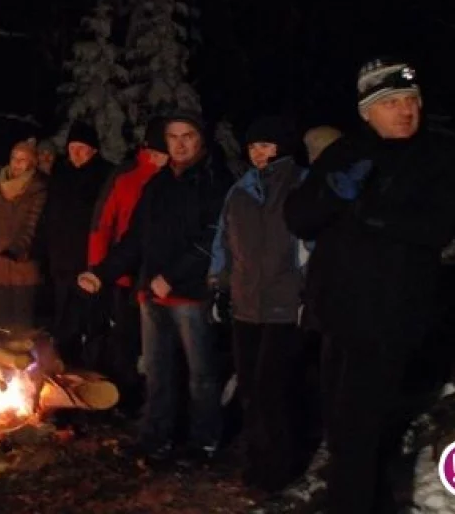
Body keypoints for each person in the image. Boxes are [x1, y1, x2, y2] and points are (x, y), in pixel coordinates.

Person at [284, 59, 455, 514]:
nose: (405, 111)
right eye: (391, 103)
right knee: (344, 430)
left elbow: (436, 227)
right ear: (366, 112)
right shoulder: (345, 154)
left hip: (391, 320)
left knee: (363, 430)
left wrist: (366, 212)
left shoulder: (437, 157)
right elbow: (296, 217)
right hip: (337, 316)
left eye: (411, 101)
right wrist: (328, 196)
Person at [78, 110, 231, 462]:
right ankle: (156, 436)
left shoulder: (215, 181)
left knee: (200, 374)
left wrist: (173, 277)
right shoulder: (159, 184)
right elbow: (134, 239)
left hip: (192, 295)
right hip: (153, 294)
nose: (179, 144)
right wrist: (101, 273)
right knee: (159, 371)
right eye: (173, 137)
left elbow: (213, 239)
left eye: (187, 136)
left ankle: (203, 442)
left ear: (201, 139)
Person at [208, 116, 307, 491]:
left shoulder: (299, 184)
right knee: (251, 387)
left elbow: (311, 247)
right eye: (253, 147)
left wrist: (308, 293)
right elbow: (223, 243)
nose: (259, 154)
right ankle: (258, 462)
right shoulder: (240, 192)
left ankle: (281, 467)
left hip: (285, 304)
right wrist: (219, 285)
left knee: (273, 388)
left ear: (281, 147)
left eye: (266, 146)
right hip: (247, 305)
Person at [86, 117, 169, 408]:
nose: (160, 158)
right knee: (124, 338)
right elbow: (103, 223)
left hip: (163, 278)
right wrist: (99, 270)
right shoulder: (127, 176)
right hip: (123, 274)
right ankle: (123, 396)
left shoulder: (176, 177)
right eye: (156, 151)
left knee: (158, 345)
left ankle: (156, 401)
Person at [43, 121, 112, 366]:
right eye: (73, 148)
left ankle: (93, 375)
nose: (77, 153)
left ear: (93, 150)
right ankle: (66, 372)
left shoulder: (105, 176)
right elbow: (49, 215)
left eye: (82, 148)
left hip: (91, 264)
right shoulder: (61, 174)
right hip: (62, 262)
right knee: (64, 321)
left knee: (92, 322)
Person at [0, 138, 48, 338]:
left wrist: (18, 248)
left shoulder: (37, 189)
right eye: (14, 158)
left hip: (23, 264)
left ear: (31, 163)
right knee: (3, 320)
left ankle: (26, 362)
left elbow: (33, 224)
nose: (17, 163)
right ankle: (6, 360)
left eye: (22, 160)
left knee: (23, 321)